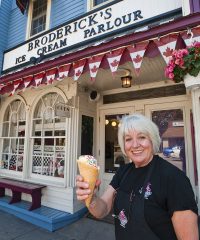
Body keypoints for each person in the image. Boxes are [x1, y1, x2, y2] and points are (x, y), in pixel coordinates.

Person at [76, 114, 199, 240]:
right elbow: (103, 209)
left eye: (141, 137)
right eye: (128, 139)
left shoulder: (174, 178)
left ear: (152, 139)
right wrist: (91, 198)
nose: (135, 145)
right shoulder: (123, 172)